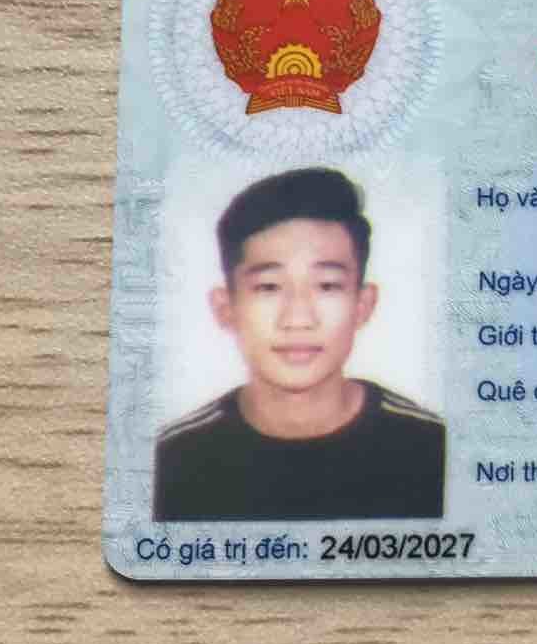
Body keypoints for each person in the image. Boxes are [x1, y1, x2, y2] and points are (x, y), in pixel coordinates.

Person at [154, 167, 444, 520]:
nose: (298, 318)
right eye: (269, 287)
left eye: (327, 286)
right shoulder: (170, 462)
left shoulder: (435, 451)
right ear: (225, 308)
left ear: (363, 305)